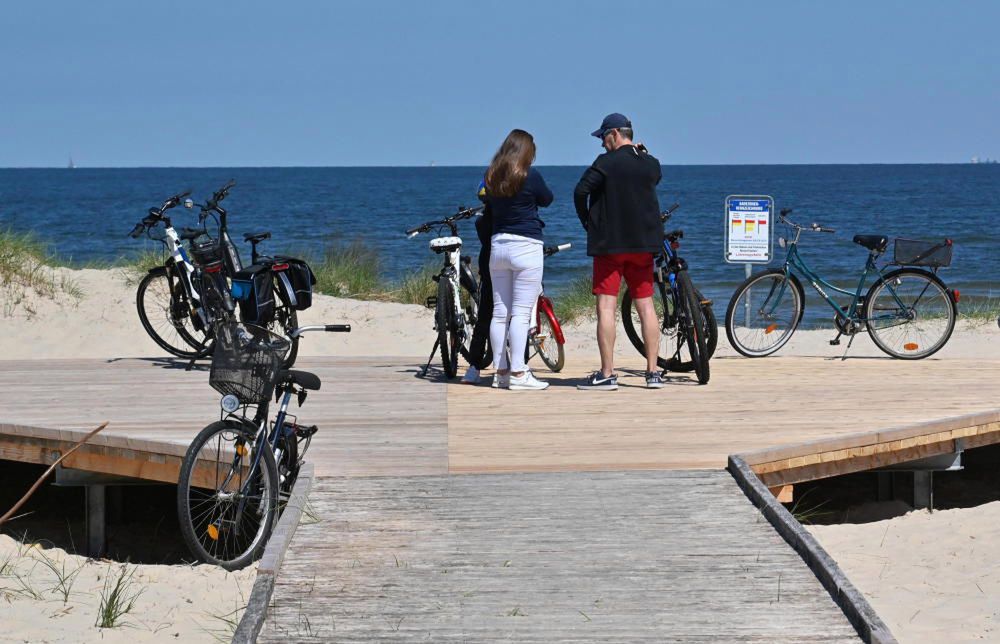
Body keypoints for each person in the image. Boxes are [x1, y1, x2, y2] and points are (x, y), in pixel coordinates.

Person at [573, 113, 663, 390]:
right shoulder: (650, 163)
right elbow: (653, 177)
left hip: (610, 245)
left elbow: (580, 192)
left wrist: (588, 223)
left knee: (606, 307)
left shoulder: (606, 163)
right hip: (643, 244)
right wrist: (643, 154)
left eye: (603, 137)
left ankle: (608, 373)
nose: (601, 143)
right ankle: (652, 373)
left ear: (614, 133)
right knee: (646, 306)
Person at [483, 129, 553, 390]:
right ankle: (519, 374)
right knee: (521, 314)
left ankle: (500, 372)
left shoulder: (491, 176)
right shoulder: (530, 175)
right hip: (526, 245)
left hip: (498, 245)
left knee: (500, 313)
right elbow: (547, 199)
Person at [460, 182, 494, 384]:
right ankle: (519, 365)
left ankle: (474, 367)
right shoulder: (503, 218)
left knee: (484, 317)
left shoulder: (481, 222)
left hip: (488, 264)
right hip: (495, 266)